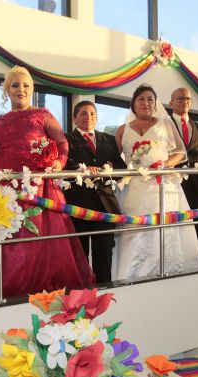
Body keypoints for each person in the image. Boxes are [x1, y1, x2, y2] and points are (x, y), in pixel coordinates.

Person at [0, 66, 94, 303]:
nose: (21, 90)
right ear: (7, 90)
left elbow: (62, 144)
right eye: (15, 85)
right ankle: (9, 291)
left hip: (38, 187)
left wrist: (58, 165)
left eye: (26, 85)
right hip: (5, 188)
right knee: (9, 242)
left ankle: (46, 292)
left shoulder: (44, 115)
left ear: (32, 89)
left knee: (41, 241)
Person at [114, 84, 198, 279]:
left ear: (156, 104)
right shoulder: (122, 130)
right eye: (141, 99)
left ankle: (166, 268)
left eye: (150, 100)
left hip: (162, 184)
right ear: (133, 104)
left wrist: (164, 165)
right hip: (134, 188)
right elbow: (114, 158)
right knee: (135, 230)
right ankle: (131, 272)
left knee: (163, 226)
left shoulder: (165, 124)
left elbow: (181, 153)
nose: (145, 103)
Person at [64, 100, 125, 283]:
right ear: (74, 118)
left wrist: (111, 167)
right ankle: (80, 293)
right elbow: (66, 164)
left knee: (104, 252)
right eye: (83, 113)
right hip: (78, 205)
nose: (88, 117)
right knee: (80, 254)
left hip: (105, 206)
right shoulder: (66, 139)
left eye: (92, 113)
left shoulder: (108, 138)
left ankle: (105, 291)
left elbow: (121, 167)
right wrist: (82, 169)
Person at [169, 87, 198, 266]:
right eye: (179, 98)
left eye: (187, 98)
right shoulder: (164, 124)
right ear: (171, 103)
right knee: (176, 227)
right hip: (173, 184)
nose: (183, 101)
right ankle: (177, 263)